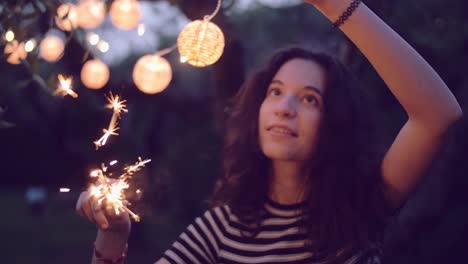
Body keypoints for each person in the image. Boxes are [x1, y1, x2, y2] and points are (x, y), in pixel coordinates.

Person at [76, 0, 463, 263]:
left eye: (309, 99)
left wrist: (334, 5)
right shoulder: (223, 227)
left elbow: (437, 115)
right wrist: (113, 238)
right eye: (275, 92)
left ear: (335, 123)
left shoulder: (362, 206)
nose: (285, 107)